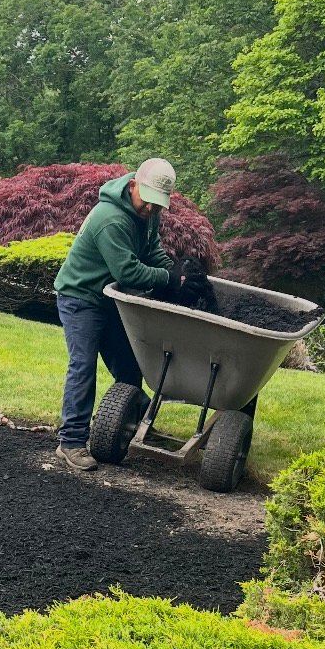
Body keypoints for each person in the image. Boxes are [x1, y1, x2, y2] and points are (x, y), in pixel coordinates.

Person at [52, 158, 210, 473]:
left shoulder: (146, 213)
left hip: (110, 297)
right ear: (133, 184)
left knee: (129, 369)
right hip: (80, 297)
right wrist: (168, 281)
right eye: (148, 201)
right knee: (83, 367)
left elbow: (151, 251)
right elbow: (127, 270)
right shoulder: (111, 218)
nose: (151, 209)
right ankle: (70, 442)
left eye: (157, 205)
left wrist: (175, 274)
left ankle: (118, 429)